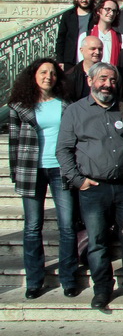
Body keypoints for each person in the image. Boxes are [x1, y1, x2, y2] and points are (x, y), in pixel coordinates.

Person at [56, 62, 123, 310]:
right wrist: (78, 180)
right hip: (93, 188)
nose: (108, 84)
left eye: (113, 80)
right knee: (97, 241)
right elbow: (63, 150)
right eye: (103, 79)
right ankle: (102, 289)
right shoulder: (75, 111)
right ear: (90, 81)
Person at [9, 59, 78, 299]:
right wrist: (15, 173)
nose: (48, 76)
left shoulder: (66, 105)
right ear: (34, 76)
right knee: (32, 227)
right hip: (31, 170)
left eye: (52, 73)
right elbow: (14, 143)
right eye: (43, 72)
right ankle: (34, 281)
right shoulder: (20, 106)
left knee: (67, 226)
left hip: (60, 168)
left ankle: (69, 279)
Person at [78, 0, 123, 66]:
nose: (111, 13)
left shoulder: (121, 38)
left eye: (114, 11)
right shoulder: (85, 36)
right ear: (98, 11)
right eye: (107, 9)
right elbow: (81, 61)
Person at [55, 0, 95, 70]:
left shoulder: (96, 15)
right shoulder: (68, 15)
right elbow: (61, 39)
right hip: (70, 59)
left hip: (92, 57)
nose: (84, 0)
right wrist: (60, 60)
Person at [65, 36, 103, 101]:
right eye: (93, 49)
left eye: (100, 49)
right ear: (82, 50)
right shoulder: (71, 76)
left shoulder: (110, 73)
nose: (97, 52)